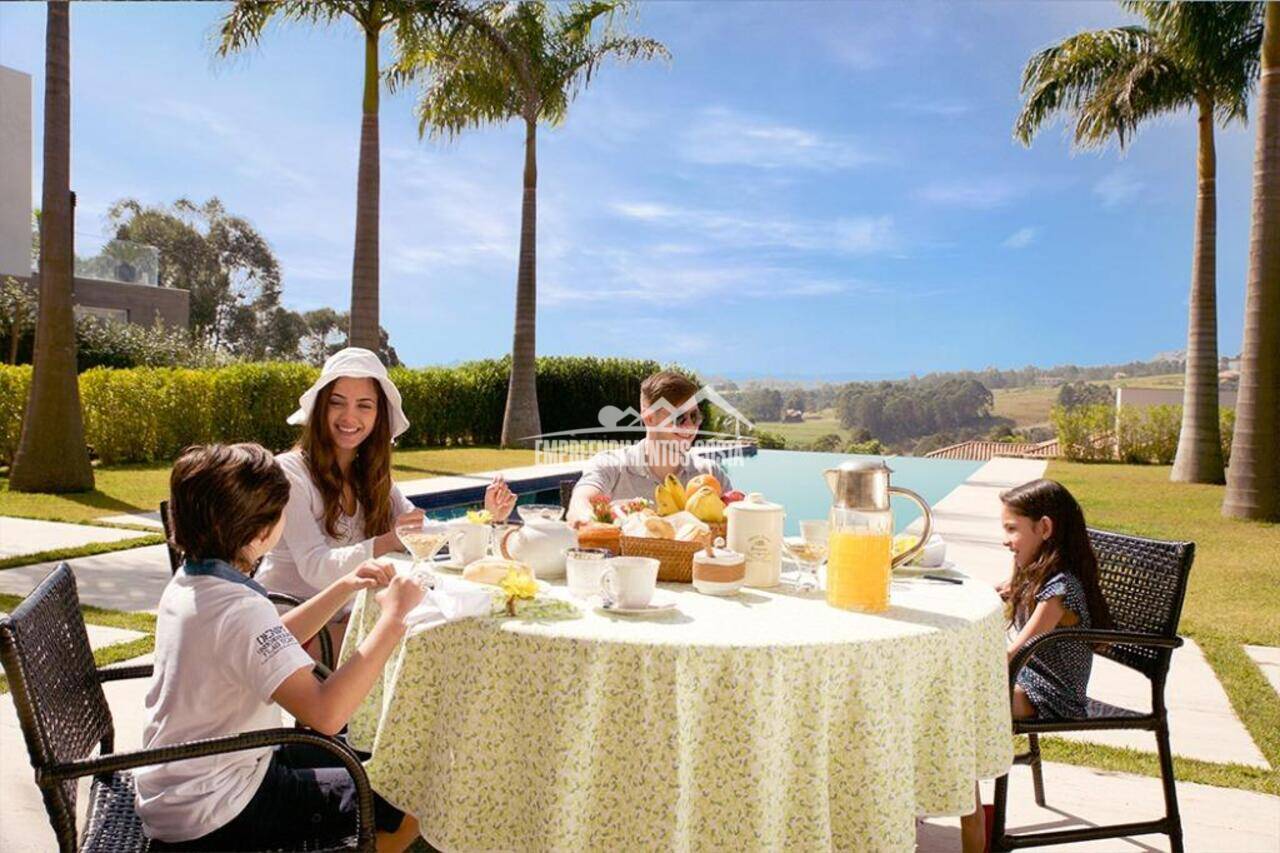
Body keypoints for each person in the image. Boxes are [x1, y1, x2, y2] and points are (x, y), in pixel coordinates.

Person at [136, 443, 424, 850]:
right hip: (221, 806)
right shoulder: (238, 610)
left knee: (367, 758)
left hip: (192, 783)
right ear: (260, 533)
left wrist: (344, 584)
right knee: (407, 794)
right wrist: (394, 619)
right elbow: (326, 713)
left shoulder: (192, 584)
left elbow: (264, 639)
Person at [257, 348, 515, 650]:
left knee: (445, 633)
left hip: (349, 616)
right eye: (337, 402)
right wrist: (388, 540)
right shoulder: (290, 472)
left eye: (364, 405)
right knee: (424, 646)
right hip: (288, 629)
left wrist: (485, 516)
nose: (349, 416)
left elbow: (426, 533)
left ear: (378, 415)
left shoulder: (372, 476)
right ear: (320, 409)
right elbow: (315, 567)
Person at [960, 478, 1111, 852]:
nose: (1005, 539)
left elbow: (1017, 649)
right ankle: (974, 817)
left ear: (1044, 528)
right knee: (953, 708)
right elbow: (995, 595)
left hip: (1051, 696)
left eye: (1012, 529)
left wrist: (969, 671)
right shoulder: (1039, 572)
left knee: (958, 712)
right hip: (1028, 683)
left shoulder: (1059, 589)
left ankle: (977, 832)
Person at [566, 370, 732, 526]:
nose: (689, 426)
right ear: (650, 418)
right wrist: (585, 517)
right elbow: (581, 501)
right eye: (679, 417)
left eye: (694, 416)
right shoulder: (611, 465)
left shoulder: (710, 474)